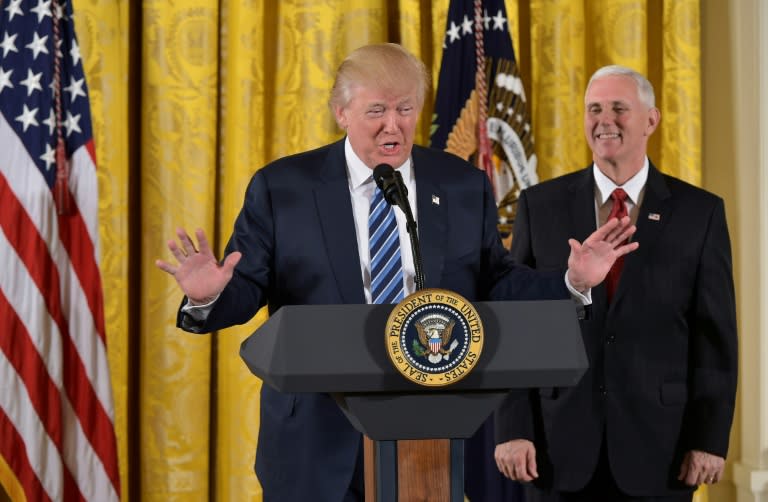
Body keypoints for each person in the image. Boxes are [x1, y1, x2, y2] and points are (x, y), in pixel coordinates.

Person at [156, 44, 637, 502]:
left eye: (405, 109)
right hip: (314, 442)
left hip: (427, 437)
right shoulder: (284, 188)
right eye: (376, 111)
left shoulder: (460, 185)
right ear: (341, 113)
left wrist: (573, 282)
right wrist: (210, 296)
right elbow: (248, 286)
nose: (393, 126)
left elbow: (496, 281)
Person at [493, 65, 738, 501]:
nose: (605, 121)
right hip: (554, 447)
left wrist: (709, 438)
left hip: (662, 450)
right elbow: (516, 325)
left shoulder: (700, 213)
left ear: (651, 120)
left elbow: (714, 338)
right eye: (594, 109)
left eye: (619, 109)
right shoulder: (541, 206)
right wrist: (513, 429)